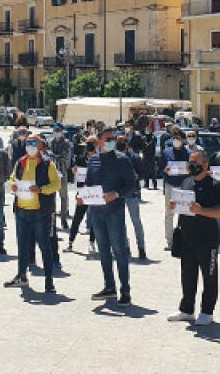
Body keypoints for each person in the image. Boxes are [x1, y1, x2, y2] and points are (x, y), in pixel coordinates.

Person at [166, 149, 220, 326]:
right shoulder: (186, 182)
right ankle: (186, 310)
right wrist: (174, 205)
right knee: (188, 275)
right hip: (186, 237)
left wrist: (203, 211)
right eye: (190, 162)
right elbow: (181, 205)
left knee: (209, 277)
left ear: (205, 165)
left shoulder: (215, 185)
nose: (191, 166)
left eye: (195, 163)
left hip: (207, 239)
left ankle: (207, 312)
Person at [83, 126, 137, 306]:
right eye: (107, 139)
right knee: (103, 251)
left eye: (113, 139)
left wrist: (116, 194)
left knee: (120, 251)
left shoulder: (122, 160)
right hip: (97, 213)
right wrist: (82, 197)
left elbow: (132, 185)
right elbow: (89, 184)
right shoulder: (93, 161)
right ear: (99, 141)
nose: (111, 142)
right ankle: (109, 287)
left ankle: (125, 290)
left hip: (115, 212)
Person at [4, 134, 60, 292]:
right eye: (28, 142)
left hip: (40, 213)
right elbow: (12, 178)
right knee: (22, 246)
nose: (30, 145)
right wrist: (13, 185)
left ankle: (49, 282)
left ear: (40, 145)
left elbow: (56, 184)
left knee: (45, 247)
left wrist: (41, 190)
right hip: (22, 211)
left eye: (33, 142)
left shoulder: (48, 164)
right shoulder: (20, 162)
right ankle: (21, 276)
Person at [160, 127, 194, 250]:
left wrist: (191, 170)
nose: (176, 140)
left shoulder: (189, 154)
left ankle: (184, 241)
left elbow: (194, 171)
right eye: (174, 138)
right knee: (169, 213)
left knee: (185, 213)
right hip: (170, 185)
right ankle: (169, 241)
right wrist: (164, 171)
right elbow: (160, 168)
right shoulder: (166, 152)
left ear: (183, 140)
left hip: (184, 186)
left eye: (178, 138)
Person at [116, 135, 148, 260]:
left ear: (127, 143)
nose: (119, 144)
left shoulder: (134, 157)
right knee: (120, 222)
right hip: (118, 195)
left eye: (121, 142)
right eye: (117, 142)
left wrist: (135, 176)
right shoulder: (114, 157)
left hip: (131, 193)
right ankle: (125, 247)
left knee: (136, 222)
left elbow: (143, 173)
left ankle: (141, 248)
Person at [67, 137, 98, 252]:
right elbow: (76, 173)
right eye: (88, 144)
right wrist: (74, 170)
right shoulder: (80, 158)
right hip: (83, 192)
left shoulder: (99, 158)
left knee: (94, 219)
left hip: (95, 192)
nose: (90, 146)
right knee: (77, 218)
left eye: (92, 144)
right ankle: (70, 242)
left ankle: (92, 242)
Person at [49, 126, 73, 229]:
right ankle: (53, 220)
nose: (57, 133)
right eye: (55, 131)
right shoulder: (50, 142)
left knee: (63, 195)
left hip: (62, 171)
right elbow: (48, 154)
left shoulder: (66, 143)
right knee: (51, 196)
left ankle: (63, 219)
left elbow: (67, 157)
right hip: (51, 171)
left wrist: (56, 157)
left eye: (58, 131)